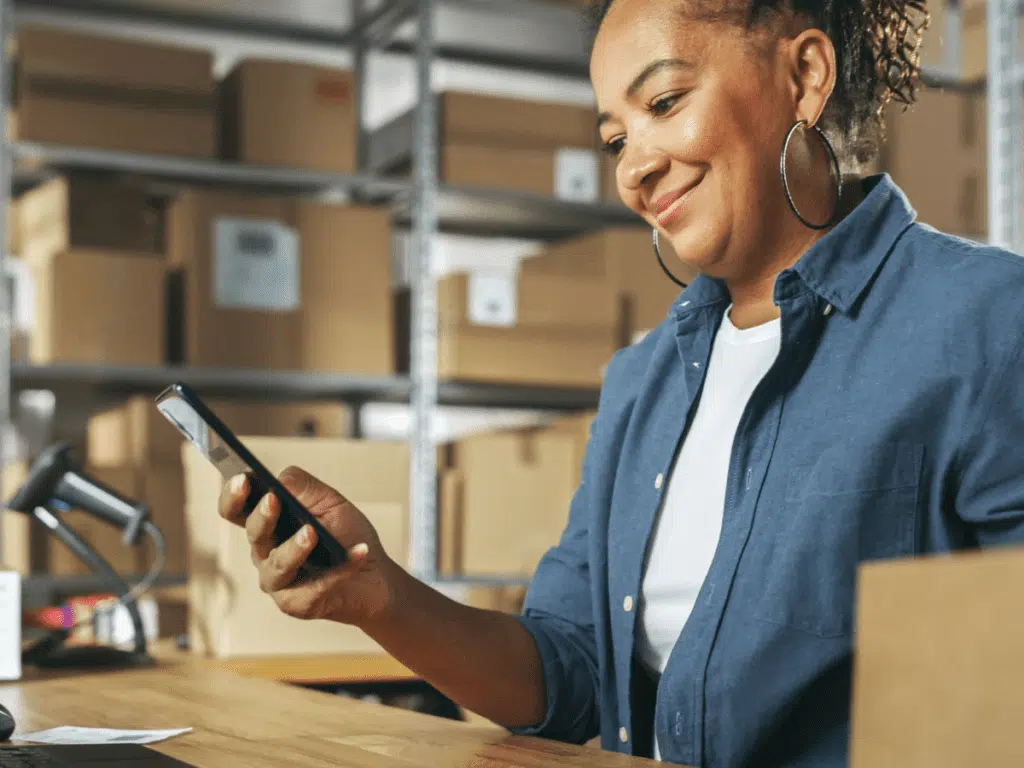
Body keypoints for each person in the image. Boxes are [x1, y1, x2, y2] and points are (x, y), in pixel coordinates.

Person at [218, 0, 1024, 764]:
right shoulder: (643, 381)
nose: (634, 169)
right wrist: (378, 593)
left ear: (805, 74)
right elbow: (568, 676)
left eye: (666, 101)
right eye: (613, 140)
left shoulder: (986, 322)